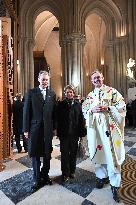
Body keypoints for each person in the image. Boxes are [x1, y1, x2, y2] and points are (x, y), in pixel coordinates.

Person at [82, 70, 126, 203]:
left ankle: (114, 185)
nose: (96, 80)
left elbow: (122, 106)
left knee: (112, 156)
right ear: (91, 80)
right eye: (94, 78)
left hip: (109, 129)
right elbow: (84, 110)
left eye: (98, 77)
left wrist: (109, 108)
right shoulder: (90, 96)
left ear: (103, 77)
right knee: (97, 153)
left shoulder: (112, 91)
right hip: (95, 130)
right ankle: (101, 176)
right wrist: (91, 110)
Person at [23, 70, 56, 190]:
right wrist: (26, 129)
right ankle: (36, 178)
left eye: (47, 79)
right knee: (36, 154)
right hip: (35, 129)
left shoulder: (52, 94)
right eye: (43, 79)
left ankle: (45, 175)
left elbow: (53, 113)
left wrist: (54, 128)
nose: (45, 81)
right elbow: (26, 112)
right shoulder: (31, 92)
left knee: (47, 154)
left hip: (47, 129)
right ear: (38, 79)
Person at [56, 85, 86, 182]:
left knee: (73, 154)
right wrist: (57, 131)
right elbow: (57, 120)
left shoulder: (78, 105)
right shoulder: (60, 105)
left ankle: (72, 171)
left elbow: (81, 120)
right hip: (64, 134)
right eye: (67, 92)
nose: (69, 94)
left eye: (71, 92)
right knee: (64, 154)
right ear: (65, 93)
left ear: (74, 93)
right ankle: (65, 173)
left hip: (74, 134)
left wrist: (82, 133)